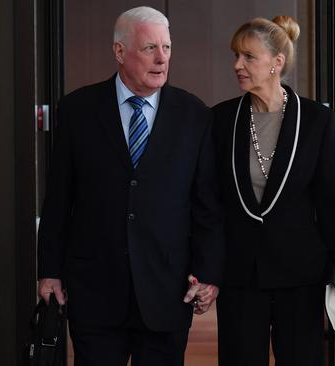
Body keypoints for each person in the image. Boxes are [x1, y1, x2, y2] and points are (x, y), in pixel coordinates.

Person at [36, 6, 224, 366]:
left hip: (167, 293)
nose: (161, 59)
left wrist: (210, 274)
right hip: (95, 291)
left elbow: (206, 207)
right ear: (120, 52)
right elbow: (59, 199)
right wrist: (49, 271)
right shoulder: (77, 110)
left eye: (167, 48)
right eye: (149, 48)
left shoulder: (194, 115)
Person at [212, 16, 335, 365]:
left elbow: (331, 202)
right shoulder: (219, 119)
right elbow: (209, 202)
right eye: (236, 55)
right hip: (239, 276)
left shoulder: (315, 121)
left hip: (300, 277)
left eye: (248, 57)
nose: (237, 65)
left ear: (277, 62)